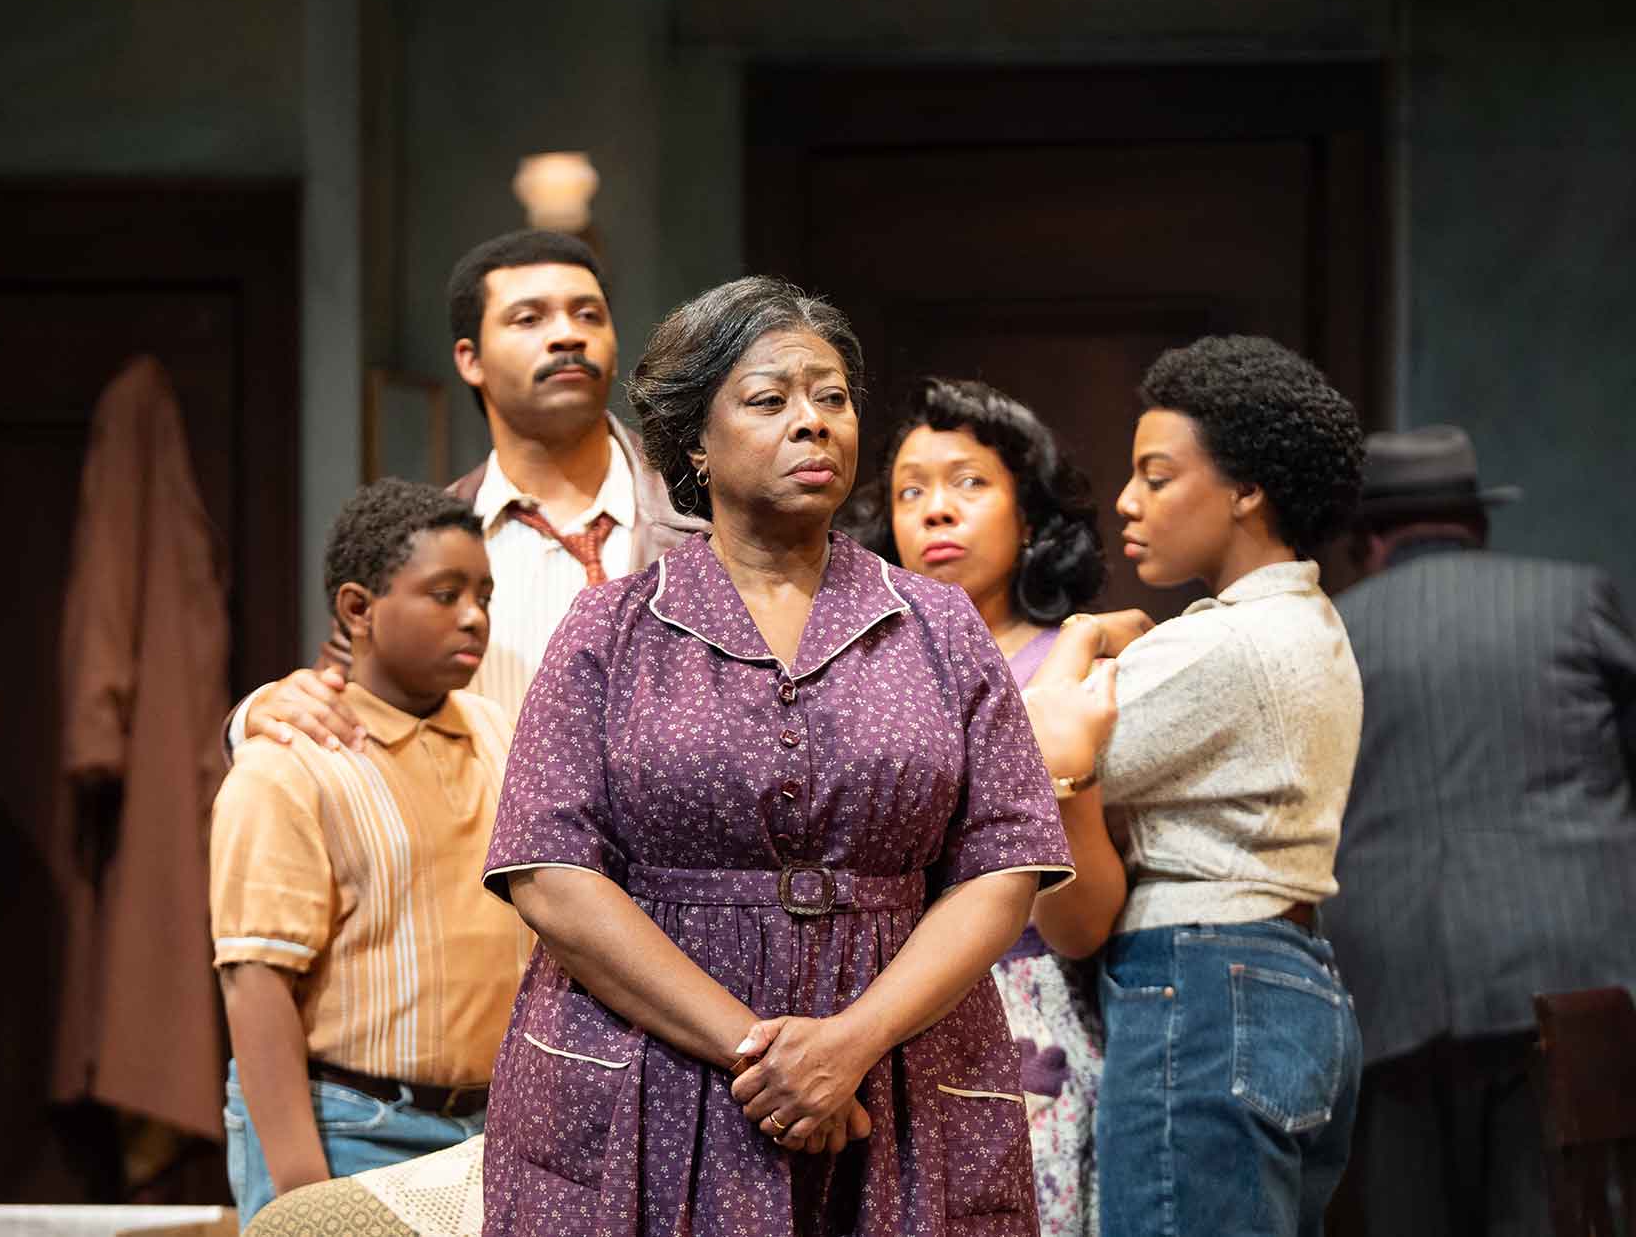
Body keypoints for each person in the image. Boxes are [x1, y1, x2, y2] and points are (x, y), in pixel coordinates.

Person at [478, 277, 1076, 1236]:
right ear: (695, 444)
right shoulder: (611, 627)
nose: (813, 422)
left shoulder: (939, 626)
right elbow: (550, 874)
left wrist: (849, 1045)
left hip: (898, 1078)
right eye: (770, 400)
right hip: (650, 1075)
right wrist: (766, 1056)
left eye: (832, 397)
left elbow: (1004, 867)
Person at [1048, 336, 1367, 1237]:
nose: (1127, 499)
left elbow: (1023, 751)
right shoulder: (1308, 621)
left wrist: (1076, 639)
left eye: (1157, 476)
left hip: (1202, 979)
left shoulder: (1226, 644)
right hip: (1288, 974)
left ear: (1246, 490)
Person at [1325, 425, 1636, 1237]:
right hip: (1565, 979)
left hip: (1387, 988)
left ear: (1368, 541)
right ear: (1479, 523)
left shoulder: (1333, 631)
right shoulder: (1575, 599)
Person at [229, 229, 703, 751]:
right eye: (529, 318)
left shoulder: (704, 514)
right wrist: (255, 715)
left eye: (588, 315)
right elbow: (336, 704)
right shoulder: (420, 547)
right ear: (469, 360)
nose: (568, 335)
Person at [208, 480, 533, 1225]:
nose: (474, 617)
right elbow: (256, 983)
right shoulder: (290, 762)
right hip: (354, 1124)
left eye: (483, 595)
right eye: (445, 595)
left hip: (494, 1128)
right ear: (359, 609)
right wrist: (302, 1194)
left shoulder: (497, 732)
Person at [860, 376, 1127, 1235]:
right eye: (910, 491)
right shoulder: (853, 677)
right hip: (871, 1017)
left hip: (1024, 1018)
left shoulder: (1069, 672)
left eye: (968, 482)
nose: (936, 509)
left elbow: (1084, 922)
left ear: (1031, 518)